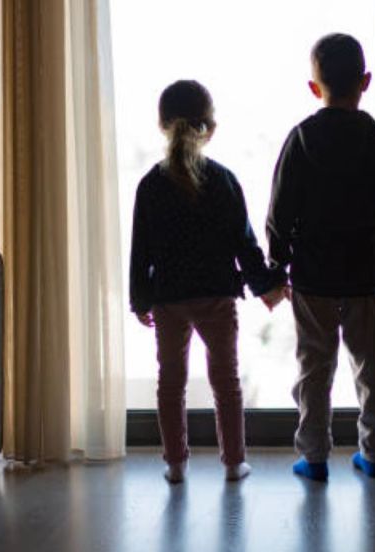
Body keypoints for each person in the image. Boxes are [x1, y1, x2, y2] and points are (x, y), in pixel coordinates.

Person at [130, 80, 287, 483]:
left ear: (163, 125)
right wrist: (266, 285)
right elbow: (244, 244)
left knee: (171, 383)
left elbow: (140, 252)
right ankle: (234, 463)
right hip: (216, 296)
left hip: (169, 299)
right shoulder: (223, 180)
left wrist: (140, 300)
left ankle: (175, 464)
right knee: (226, 382)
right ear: (210, 128)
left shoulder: (150, 185)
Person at [267, 33, 375, 481]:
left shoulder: (302, 138)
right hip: (362, 272)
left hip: (313, 274)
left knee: (314, 366)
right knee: (370, 366)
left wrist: (278, 265)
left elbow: (280, 210)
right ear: (365, 81)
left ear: (313, 87)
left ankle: (314, 456)